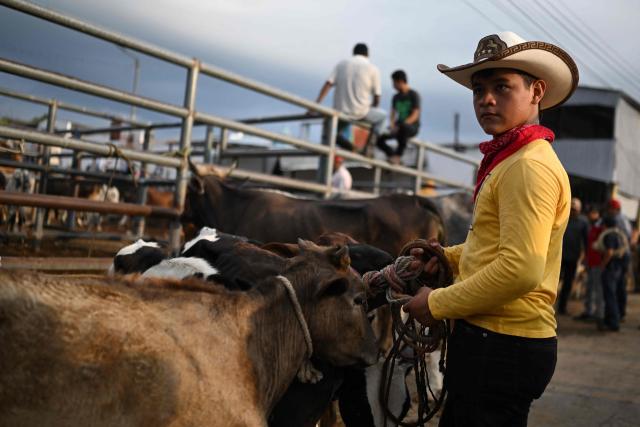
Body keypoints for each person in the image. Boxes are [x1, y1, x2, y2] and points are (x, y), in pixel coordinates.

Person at [394, 31, 579, 426]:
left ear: (537, 91)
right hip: (499, 341)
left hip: (500, 344)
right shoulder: (514, 160)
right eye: (479, 90)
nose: (486, 99)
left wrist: (436, 303)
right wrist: (447, 256)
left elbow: (520, 269)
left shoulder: (527, 166)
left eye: (502, 87)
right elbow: (494, 246)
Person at [314, 43, 386, 150]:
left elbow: (328, 84)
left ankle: (348, 146)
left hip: (341, 111)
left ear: (353, 53)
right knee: (382, 116)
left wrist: (315, 105)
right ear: (367, 54)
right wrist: (372, 108)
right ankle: (369, 147)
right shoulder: (373, 69)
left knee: (330, 132)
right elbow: (377, 96)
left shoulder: (342, 64)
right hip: (362, 113)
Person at [376, 70, 421, 165]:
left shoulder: (413, 95)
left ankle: (398, 156)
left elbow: (415, 114)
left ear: (400, 81)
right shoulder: (396, 97)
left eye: (394, 82)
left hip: (411, 127)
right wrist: (392, 126)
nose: (393, 85)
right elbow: (392, 113)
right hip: (398, 126)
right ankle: (392, 155)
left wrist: (401, 125)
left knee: (403, 128)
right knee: (380, 137)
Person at [594, 215, 629, 331]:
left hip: (611, 268)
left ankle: (613, 323)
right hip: (619, 268)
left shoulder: (609, 235)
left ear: (605, 225)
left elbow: (609, 252)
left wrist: (603, 265)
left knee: (610, 295)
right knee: (615, 294)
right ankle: (613, 319)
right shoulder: (619, 234)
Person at [557, 197, 589, 315]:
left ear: (579, 210)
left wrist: (586, 257)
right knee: (554, 281)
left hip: (573, 257)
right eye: (571, 208)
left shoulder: (583, 222)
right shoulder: (563, 217)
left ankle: (562, 307)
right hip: (559, 256)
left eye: (575, 209)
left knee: (567, 283)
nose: (573, 211)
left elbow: (586, 241)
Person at [574, 205, 605, 322]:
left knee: (598, 289)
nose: (590, 215)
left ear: (597, 214)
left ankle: (599, 314)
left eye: (592, 213)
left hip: (598, 263)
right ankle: (589, 311)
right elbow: (589, 246)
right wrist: (586, 259)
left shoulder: (601, 227)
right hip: (591, 262)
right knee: (589, 288)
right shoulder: (592, 227)